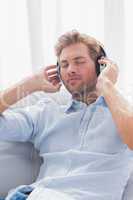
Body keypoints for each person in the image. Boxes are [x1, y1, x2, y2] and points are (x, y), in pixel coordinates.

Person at [0, 30, 133, 200]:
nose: (70, 70)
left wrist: (106, 84)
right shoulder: (46, 112)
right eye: (64, 64)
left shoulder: (123, 112)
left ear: (101, 67)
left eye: (79, 62)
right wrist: (28, 85)